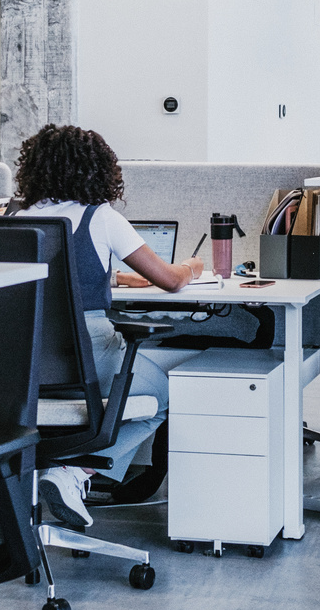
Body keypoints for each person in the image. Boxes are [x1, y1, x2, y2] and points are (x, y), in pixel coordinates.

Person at [11, 123, 203, 526]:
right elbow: (169, 280)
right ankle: (75, 472)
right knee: (165, 397)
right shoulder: (100, 217)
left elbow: (51, 277)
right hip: (88, 351)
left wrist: (113, 276)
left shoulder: (12, 218)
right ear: (97, 169)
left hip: (22, 363)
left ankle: (47, 479)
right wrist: (191, 266)